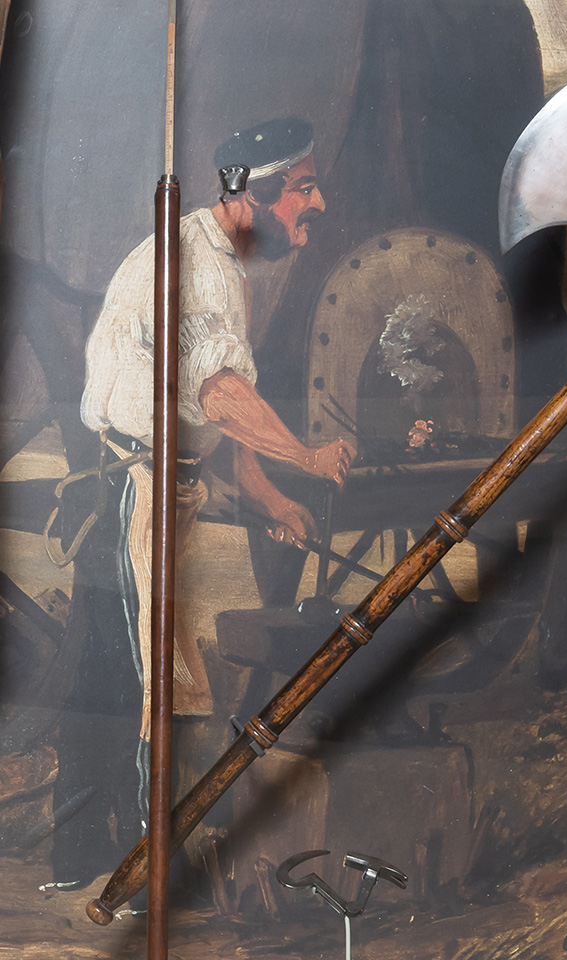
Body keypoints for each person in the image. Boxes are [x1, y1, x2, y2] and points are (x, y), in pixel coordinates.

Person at [52, 117, 354, 888]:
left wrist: (268, 497)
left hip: (157, 484)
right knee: (152, 683)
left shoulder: (220, 254)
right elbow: (222, 397)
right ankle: (151, 867)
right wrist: (308, 457)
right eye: (305, 188)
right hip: (130, 493)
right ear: (250, 193)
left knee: (123, 677)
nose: (316, 202)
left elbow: (207, 412)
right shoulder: (199, 266)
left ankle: (94, 858)